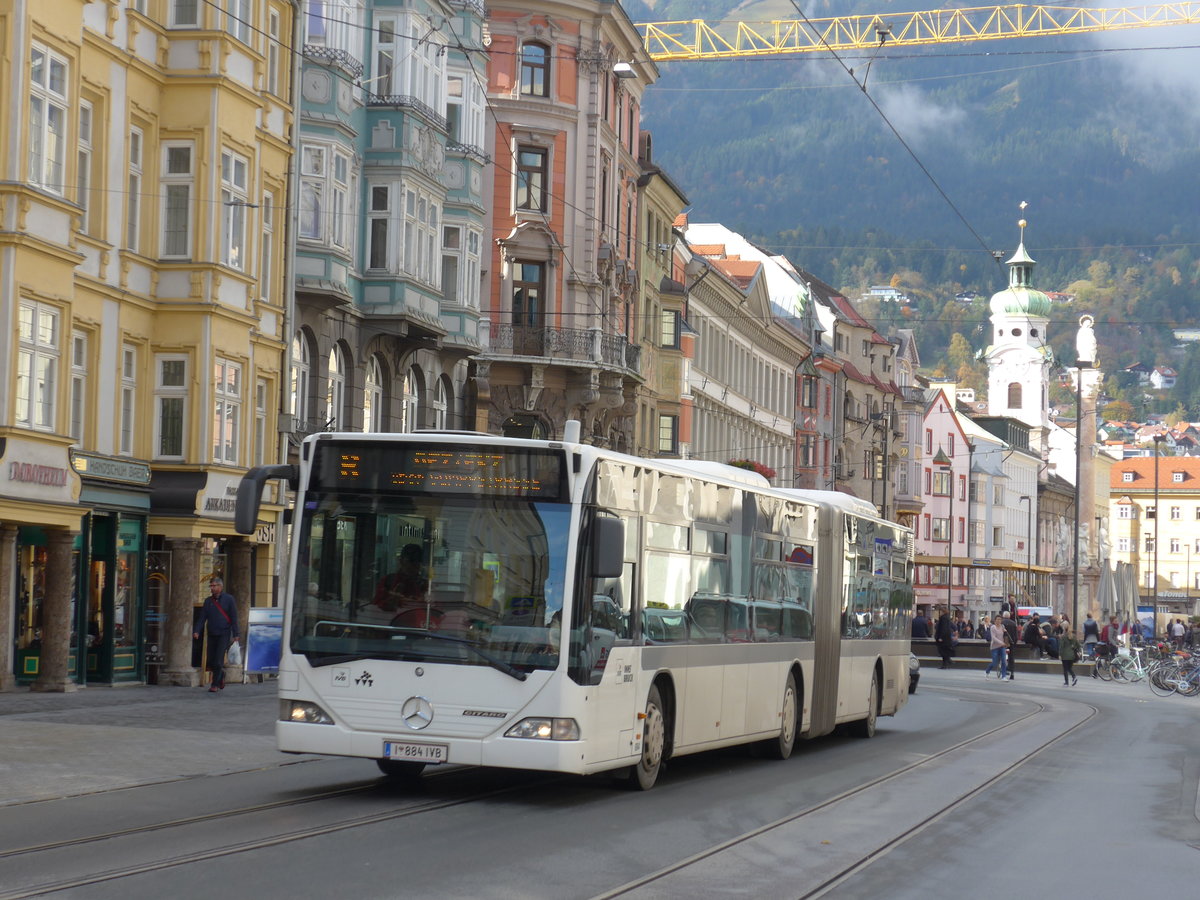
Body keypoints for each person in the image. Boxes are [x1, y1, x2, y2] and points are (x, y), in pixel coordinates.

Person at [194, 577, 240, 692]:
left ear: (220, 587)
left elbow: (234, 617)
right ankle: (221, 675)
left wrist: (236, 633)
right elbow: (202, 617)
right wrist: (197, 631)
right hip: (212, 633)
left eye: (214, 586)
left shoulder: (229, 599)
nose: (212, 588)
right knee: (211, 660)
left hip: (224, 633)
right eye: (211, 586)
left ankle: (214, 684)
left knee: (218, 659)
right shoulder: (208, 601)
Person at [983, 615, 1008, 680]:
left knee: (1004, 661)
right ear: (995, 620)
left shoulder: (1002, 626)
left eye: (1000, 619)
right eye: (997, 619)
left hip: (1002, 647)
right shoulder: (993, 627)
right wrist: (1001, 643)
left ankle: (1004, 676)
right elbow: (993, 638)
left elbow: (1005, 635)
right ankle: (987, 672)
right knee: (994, 662)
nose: (999, 621)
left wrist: (1005, 633)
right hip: (994, 647)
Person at [1002, 611, 1019, 680]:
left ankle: (1003, 670)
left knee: (1002, 656)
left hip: (1002, 642)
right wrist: (1014, 642)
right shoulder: (1013, 623)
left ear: (1003, 616)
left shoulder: (1001, 623)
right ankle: (1012, 673)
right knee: (1011, 657)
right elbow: (1016, 635)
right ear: (1009, 616)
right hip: (1011, 642)